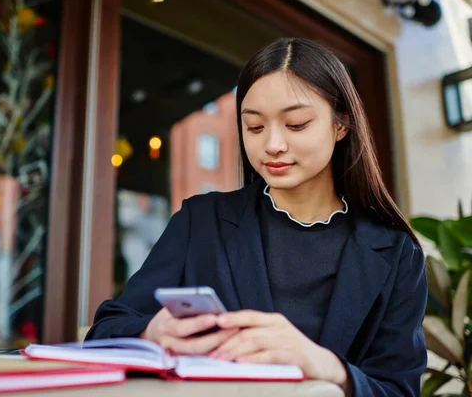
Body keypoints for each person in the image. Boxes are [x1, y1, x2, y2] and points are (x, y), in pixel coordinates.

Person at [85, 38, 428, 397]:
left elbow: (398, 390)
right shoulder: (202, 221)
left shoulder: (395, 251)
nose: (272, 144)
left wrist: (328, 367)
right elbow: (108, 327)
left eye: (296, 124)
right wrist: (150, 333)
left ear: (341, 125)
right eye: (254, 127)